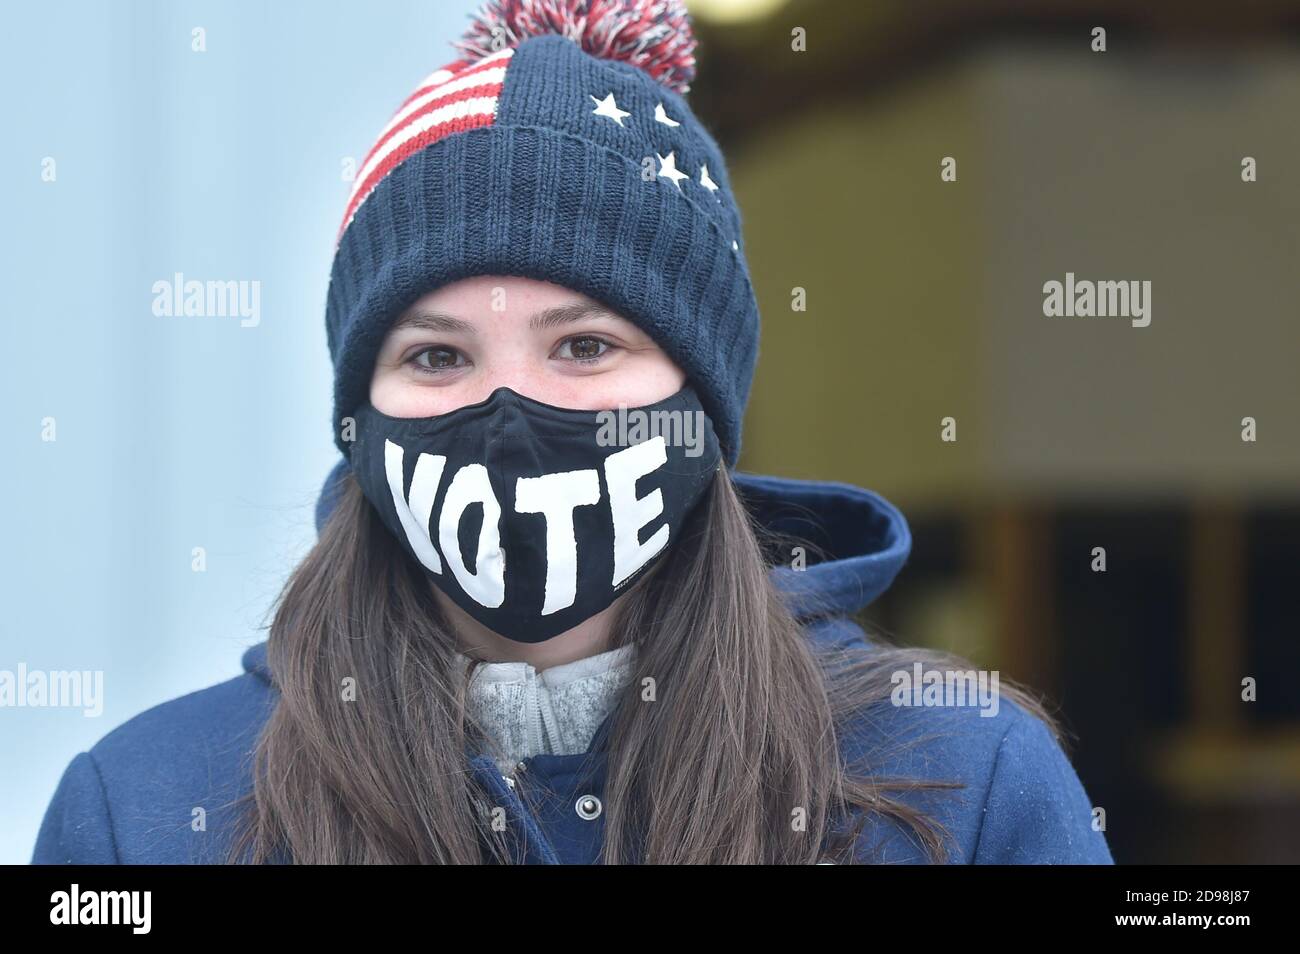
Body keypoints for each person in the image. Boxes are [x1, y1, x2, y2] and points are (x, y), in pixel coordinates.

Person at [31, 0, 1113, 865]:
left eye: (586, 346)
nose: (509, 413)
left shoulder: (959, 780)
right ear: (358, 420)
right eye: (436, 355)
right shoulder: (146, 807)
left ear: (703, 395)